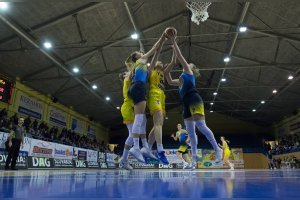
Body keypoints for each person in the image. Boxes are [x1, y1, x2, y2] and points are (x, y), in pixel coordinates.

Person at [165, 28, 223, 168]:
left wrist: (174, 41)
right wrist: (166, 70)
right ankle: (195, 156)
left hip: (194, 98)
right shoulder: (180, 80)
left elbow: (180, 57)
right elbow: (169, 81)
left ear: (191, 67)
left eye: (188, 63)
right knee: (190, 132)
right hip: (185, 103)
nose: (187, 63)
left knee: (201, 126)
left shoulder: (188, 71)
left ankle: (217, 149)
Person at [126, 31, 167, 163]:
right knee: (139, 119)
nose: (141, 53)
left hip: (134, 88)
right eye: (139, 52)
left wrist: (158, 47)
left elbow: (152, 54)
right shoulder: (141, 60)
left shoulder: (139, 66)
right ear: (136, 56)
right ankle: (136, 147)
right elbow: (154, 48)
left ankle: (143, 148)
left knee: (141, 120)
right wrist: (163, 37)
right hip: (139, 87)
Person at [145, 37, 169, 164]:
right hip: (154, 94)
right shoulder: (152, 70)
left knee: (158, 125)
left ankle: (147, 149)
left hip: (162, 96)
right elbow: (156, 54)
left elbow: (174, 62)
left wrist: (174, 43)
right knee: (158, 122)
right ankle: (160, 151)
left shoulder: (163, 73)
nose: (161, 62)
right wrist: (163, 40)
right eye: (158, 61)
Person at [118, 69, 135, 170]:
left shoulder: (129, 83)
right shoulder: (126, 80)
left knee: (133, 135)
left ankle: (125, 159)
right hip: (127, 107)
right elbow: (132, 71)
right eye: (126, 72)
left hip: (129, 107)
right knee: (132, 135)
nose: (128, 72)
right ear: (124, 76)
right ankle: (124, 159)